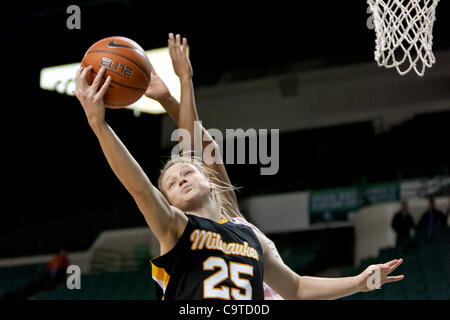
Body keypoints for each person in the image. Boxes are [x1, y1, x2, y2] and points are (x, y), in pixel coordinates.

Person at [73, 33, 404, 300]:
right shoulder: (176, 227)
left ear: (210, 182)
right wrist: (98, 124)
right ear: (169, 203)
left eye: (187, 172)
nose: (182, 178)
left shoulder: (245, 230)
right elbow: (141, 188)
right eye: (172, 183)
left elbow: (298, 288)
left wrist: (360, 283)